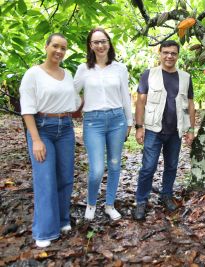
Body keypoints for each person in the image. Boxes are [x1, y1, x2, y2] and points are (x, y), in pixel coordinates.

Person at [19, 33, 81, 248]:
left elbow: (74, 102)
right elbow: (27, 109)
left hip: (65, 128)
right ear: (46, 47)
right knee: (45, 178)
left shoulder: (68, 73)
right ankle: (44, 230)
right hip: (42, 129)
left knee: (65, 177)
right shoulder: (33, 74)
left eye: (63, 48)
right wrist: (36, 140)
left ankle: (63, 220)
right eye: (55, 46)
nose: (59, 51)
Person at [74, 27, 133, 221]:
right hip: (93, 122)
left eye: (103, 41)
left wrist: (129, 122)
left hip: (117, 120)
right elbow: (72, 94)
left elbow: (125, 96)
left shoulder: (120, 68)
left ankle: (109, 204)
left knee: (115, 164)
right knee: (97, 169)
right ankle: (91, 203)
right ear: (90, 46)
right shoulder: (84, 69)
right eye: (96, 42)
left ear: (109, 43)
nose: (100, 45)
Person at [133, 40, 195, 220]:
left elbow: (190, 104)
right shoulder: (149, 74)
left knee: (172, 166)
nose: (169, 56)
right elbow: (141, 102)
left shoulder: (185, 77)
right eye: (166, 52)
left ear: (177, 55)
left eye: (173, 53)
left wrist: (191, 129)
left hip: (175, 130)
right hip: (153, 129)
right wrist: (139, 127)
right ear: (159, 54)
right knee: (148, 167)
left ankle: (166, 194)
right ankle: (141, 201)